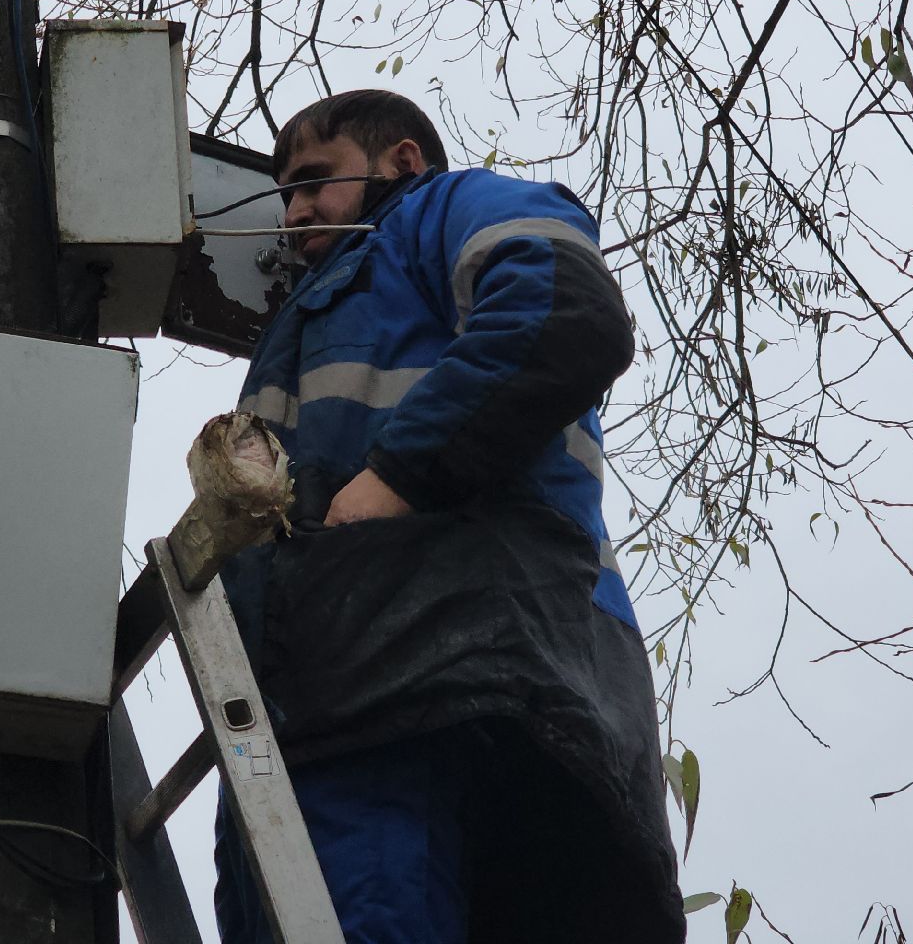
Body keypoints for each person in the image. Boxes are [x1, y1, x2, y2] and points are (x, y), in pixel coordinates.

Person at [214, 90, 685, 943]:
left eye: (315, 180)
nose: (294, 211)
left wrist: (399, 475)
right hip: (316, 703)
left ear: (401, 160)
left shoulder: (447, 209)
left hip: (437, 675)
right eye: (285, 192)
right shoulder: (302, 321)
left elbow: (561, 310)